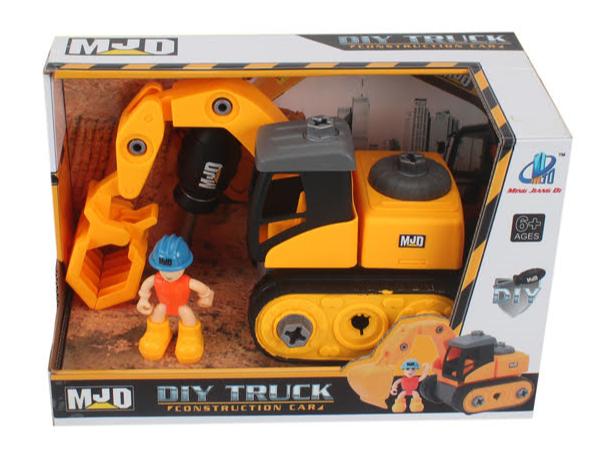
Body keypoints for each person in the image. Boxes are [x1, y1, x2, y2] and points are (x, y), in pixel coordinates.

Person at [136, 234, 214, 364]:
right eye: (164, 270)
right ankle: (157, 333)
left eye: (174, 270)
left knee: (186, 313)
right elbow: (145, 288)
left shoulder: (187, 282)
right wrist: (143, 299)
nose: (168, 275)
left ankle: (191, 337)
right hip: (164, 305)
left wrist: (207, 296)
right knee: (159, 310)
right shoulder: (156, 279)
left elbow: (203, 289)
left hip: (181, 306)